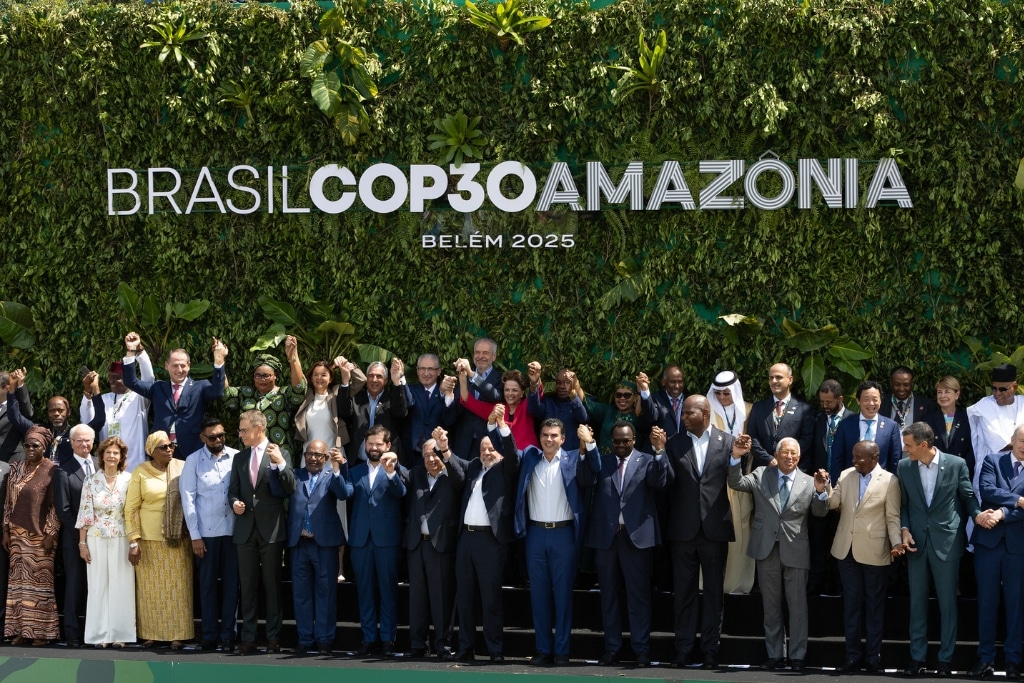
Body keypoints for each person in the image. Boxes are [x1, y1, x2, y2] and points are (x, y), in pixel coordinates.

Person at [897, 421, 992, 677]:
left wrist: (979, 516)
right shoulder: (904, 467)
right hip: (916, 542)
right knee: (917, 603)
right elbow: (903, 506)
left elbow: (967, 496)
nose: (905, 449)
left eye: (908, 445)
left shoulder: (956, 464)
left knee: (947, 604)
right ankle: (917, 658)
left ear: (924, 445)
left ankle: (945, 660)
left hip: (947, 542)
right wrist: (904, 530)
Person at [664, 395, 749, 669]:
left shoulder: (726, 441)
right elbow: (667, 482)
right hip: (683, 531)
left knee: (714, 594)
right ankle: (684, 650)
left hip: (714, 530)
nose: (684, 417)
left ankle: (711, 649)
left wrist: (737, 458)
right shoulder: (674, 443)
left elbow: (738, 478)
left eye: (689, 413)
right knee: (684, 593)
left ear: (705, 414)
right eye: (684, 413)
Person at [811, 440, 903, 673]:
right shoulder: (846, 474)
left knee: (874, 607)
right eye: (853, 456)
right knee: (851, 606)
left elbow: (892, 517)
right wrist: (822, 489)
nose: (854, 461)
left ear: (874, 458)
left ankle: (873, 658)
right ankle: (852, 657)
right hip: (846, 550)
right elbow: (833, 503)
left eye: (858, 457)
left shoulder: (890, 481)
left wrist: (896, 543)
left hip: (875, 551)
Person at [514, 417, 600, 665]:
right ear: (539, 437)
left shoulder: (574, 458)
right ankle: (543, 649)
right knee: (538, 596)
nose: (549, 439)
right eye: (545, 435)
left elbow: (593, 473)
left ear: (563, 439)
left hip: (564, 535)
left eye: (554, 436)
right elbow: (509, 449)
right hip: (536, 534)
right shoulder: (530, 457)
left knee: (563, 596)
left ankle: (562, 651)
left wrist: (590, 443)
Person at [582, 421, 666, 668]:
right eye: (616, 441)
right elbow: (586, 478)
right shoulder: (603, 462)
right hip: (607, 539)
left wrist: (660, 452)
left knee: (638, 596)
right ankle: (612, 648)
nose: (620, 445)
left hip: (636, 538)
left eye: (625, 441)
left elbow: (659, 482)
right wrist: (586, 444)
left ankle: (641, 650)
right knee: (608, 596)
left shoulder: (647, 459)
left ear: (634, 440)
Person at [729, 437, 815, 671]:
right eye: (785, 453)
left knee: (798, 607)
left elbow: (820, 511)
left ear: (799, 457)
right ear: (776, 454)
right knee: (771, 606)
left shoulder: (809, 481)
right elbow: (736, 482)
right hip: (766, 548)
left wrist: (822, 491)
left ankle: (797, 656)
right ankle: (775, 655)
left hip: (796, 549)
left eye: (794, 454)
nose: (789, 457)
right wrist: (736, 457)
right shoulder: (760, 474)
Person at [454, 409, 519, 664]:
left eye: (491, 448)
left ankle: (494, 649)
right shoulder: (473, 469)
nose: (487, 452)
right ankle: (465, 647)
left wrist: (501, 426)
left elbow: (511, 453)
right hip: (465, 541)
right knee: (465, 598)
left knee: (491, 598)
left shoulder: (505, 469)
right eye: (483, 448)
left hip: (490, 542)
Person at [228, 410, 296, 655]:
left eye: (244, 430)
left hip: (271, 530)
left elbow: (290, 487)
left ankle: (273, 638)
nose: (240, 434)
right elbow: (233, 491)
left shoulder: (280, 453)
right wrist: (234, 502)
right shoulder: (239, 458)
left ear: (259, 429)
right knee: (247, 586)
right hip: (245, 529)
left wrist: (280, 462)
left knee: (272, 586)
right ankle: (247, 637)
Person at [293, 356, 365, 582]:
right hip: (308, 457)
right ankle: (310, 560)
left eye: (324, 374)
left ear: (330, 376)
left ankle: (340, 567)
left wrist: (345, 366)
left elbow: (360, 380)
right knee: (309, 507)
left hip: (333, 456)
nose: (320, 378)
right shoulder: (305, 396)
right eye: (315, 374)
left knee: (337, 511)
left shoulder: (337, 394)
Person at [125, 431, 193, 648]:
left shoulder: (182, 467)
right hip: (149, 540)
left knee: (178, 589)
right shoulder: (140, 472)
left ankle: (177, 634)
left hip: (177, 539)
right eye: (163, 447)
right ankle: (151, 633)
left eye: (171, 446)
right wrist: (134, 540)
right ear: (151, 451)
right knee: (150, 590)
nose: (169, 450)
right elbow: (131, 508)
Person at [405, 427, 467, 660]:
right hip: (416, 545)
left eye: (435, 454)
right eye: (426, 455)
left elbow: (462, 480)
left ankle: (442, 645)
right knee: (417, 598)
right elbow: (400, 475)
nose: (431, 459)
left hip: (441, 545)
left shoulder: (453, 475)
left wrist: (446, 449)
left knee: (442, 598)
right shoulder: (417, 475)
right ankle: (418, 644)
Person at [286, 440, 352, 656]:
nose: (313, 458)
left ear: (325, 458)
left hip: (324, 544)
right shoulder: (295, 475)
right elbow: (277, 488)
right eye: (309, 454)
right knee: (301, 594)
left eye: (318, 455)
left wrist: (336, 468)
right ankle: (305, 639)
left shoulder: (331, 476)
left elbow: (344, 493)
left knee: (326, 593)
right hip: (299, 543)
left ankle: (324, 640)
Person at [179, 416, 239, 651]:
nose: (218, 440)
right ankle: (210, 634)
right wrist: (195, 535)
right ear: (202, 438)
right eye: (213, 437)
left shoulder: (236, 456)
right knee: (207, 586)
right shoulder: (193, 461)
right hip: (206, 534)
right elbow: (188, 500)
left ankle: (228, 635)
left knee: (232, 586)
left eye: (221, 435)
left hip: (234, 533)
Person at [347, 425, 407, 657]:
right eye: (370, 444)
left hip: (387, 541)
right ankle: (368, 638)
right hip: (360, 541)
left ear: (388, 446)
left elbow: (401, 493)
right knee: (364, 591)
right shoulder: (355, 471)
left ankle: (388, 640)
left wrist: (391, 471)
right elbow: (344, 493)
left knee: (388, 591)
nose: (373, 448)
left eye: (378, 444)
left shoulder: (396, 469)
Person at [969, 424, 1024, 679]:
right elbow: (987, 490)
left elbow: (995, 500)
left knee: (1016, 604)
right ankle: (985, 659)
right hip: (988, 542)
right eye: (1021, 439)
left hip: (1018, 545)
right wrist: (1017, 501)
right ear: (1012, 440)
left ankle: (1013, 661)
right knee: (987, 602)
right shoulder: (993, 460)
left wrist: (1002, 512)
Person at [121, 333, 228, 460]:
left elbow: (217, 391)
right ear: (167, 366)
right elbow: (131, 382)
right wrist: (131, 350)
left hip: (192, 450)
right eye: (175, 365)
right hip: (161, 451)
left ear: (189, 365)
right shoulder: (157, 388)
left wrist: (219, 360)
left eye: (183, 365)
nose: (179, 369)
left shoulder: (200, 386)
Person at [2, 427, 60, 645]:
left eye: (35, 445)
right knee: (18, 585)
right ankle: (22, 630)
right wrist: (6, 531)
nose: (30, 449)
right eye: (27, 445)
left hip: (40, 537)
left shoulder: (52, 470)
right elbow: (9, 502)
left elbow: (55, 507)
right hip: (17, 537)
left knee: (39, 586)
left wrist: (50, 534)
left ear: (44, 447)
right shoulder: (16, 468)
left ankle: (41, 634)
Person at [75, 436, 134, 648]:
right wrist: (82, 544)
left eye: (116, 453)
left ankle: (120, 634)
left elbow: (132, 513)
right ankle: (99, 634)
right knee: (98, 585)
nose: (111, 456)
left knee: (122, 585)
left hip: (122, 538)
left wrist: (135, 542)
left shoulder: (129, 480)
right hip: (96, 538)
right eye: (108, 452)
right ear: (101, 456)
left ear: (121, 457)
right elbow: (84, 514)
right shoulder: (90, 481)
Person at [706, 370, 755, 595]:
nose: (723, 397)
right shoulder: (707, 410)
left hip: (741, 480)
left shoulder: (748, 411)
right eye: (719, 393)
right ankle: (708, 584)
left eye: (727, 393)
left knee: (741, 529)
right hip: (713, 481)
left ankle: (738, 583)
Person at [223, 336, 306, 466]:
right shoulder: (245, 393)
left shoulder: (283, 394)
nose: (262, 379)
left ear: (275, 376)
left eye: (267, 375)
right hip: (248, 456)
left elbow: (299, 389)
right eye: (258, 375)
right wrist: (219, 361)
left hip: (278, 455)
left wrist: (292, 358)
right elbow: (225, 393)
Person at [807, 378, 854, 596]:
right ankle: (816, 584)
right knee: (818, 537)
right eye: (822, 401)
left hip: (844, 490)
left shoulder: (853, 420)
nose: (825, 405)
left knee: (840, 538)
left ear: (840, 399)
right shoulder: (816, 419)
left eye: (829, 402)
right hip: (818, 489)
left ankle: (839, 585)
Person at [54, 423, 99, 647]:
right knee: (75, 584)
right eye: (79, 440)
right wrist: (84, 532)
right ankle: (72, 633)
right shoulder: (63, 471)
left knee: (98, 585)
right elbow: (63, 510)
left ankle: (97, 631)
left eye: (87, 440)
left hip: (103, 539)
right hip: (74, 540)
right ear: (71, 443)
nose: (84, 444)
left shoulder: (101, 465)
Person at [79, 346, 154, 472]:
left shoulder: (139, 397)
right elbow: (86, 422)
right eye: (110, 377)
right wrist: (88, 392)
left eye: (116, 377)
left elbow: (149, 380)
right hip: (109, 466)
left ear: (128, 378)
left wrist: (140, 352)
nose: (111, 381)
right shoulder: (103, 399)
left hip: (136, 466)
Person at [340, 360, 409, 466]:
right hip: (358, 462)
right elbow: (344, 413)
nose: (374, 380)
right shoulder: (357, 398)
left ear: (385, 381)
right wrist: (345, 382)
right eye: (371, 376)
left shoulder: (392, 398)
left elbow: (400, 413)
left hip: (386, 463)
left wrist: (396, 381)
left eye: (379, 376)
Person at [829, 380, 903, 479]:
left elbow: (895, 461)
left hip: (880, 485)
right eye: (866, 399)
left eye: (875, 399)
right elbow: (837, 460)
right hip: (851, 483)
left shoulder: (891, 426)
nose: (871, 403)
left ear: (880, 400)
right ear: (858, 400)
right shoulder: (845, 425)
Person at [747, 363, 814, 468]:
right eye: (771, 378)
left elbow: (807, 439)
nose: (774, 381)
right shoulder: (758, 407)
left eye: (778, 377)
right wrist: (769, 459)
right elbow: (753, 438)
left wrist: (786, 459)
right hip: (764, 470)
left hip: (794, 470)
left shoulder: (804, 409)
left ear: (790, 380)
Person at [967, 363, 1024, 488]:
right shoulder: (984, 406)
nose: (997, 393)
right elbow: (998, 444)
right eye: (994, 388)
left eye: (1003, 389)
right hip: (995, 473)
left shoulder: (1023, 403)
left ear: (1014, 387)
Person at [459, 368, 538, 452]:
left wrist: (534, 382)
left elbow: (535, 395)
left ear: (522, 392)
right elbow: (468, 402)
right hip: (506, 460)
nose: (510, 393)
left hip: (529, 458)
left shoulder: (527, 405)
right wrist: (462, 378)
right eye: (507, 390)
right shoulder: (497, 409)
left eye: (514, 390)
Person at [451, 338, 503, 459]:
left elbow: (495, 396)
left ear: (494, 356)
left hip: (488, 442)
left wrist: (472, 375)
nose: (480, 356)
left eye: (485, 353)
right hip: (463, 442)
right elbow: (458, 406)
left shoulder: (500, 378)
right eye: (477, 352)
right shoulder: (462, 376)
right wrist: (447, 393)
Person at [526, 363, 589, 451]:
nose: (562, 387)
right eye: (558, 383)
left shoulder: (577, 402)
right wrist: (534, 383)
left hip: (571, 457)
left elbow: (583, 418)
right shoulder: (549, 401)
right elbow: (533, 409)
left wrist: (572, 394)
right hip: (550, 455)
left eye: (567, 383)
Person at [404, 354, 458, 454]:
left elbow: (449, 420)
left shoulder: (444, 392)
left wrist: (448, 394)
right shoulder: (409, 390)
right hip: (411, 452)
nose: (426, 373)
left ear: (438, 371)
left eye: (430, 369)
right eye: (422, 369)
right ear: (417, 371)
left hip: (437, 453)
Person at [924, 376, 974, 478]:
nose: (943, 396)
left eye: (947, 391)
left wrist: (963, 471)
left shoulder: (967, 419)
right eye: (939, 392)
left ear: (957, 394)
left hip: (961, 474)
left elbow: (972, 450)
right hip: (935, 475)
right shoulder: (928, 420)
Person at [585, 381, 646, 452]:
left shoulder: (638, 417)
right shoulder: (609, 410)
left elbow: (639, 413)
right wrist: (575, 385)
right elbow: (586, 402)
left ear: (635, 397)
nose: (622, 398)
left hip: (627, 462)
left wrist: (640, 392)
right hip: (604, 460)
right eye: (618, 395)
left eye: (627, 395)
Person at [638, 365, 687, 441]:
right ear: (664, 382)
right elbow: (651, 417)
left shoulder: (689, 401)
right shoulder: (656, 398)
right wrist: (645, 390)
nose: (677, 386)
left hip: (683, 449)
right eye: (672, 382)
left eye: (680, 382)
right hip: (661, 447)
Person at [880, 366, 937, 430]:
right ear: (891, 383)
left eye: (906, 385)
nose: (901, 389)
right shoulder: (881, 403)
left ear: (912, 384)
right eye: (897, 384)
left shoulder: (927, 405)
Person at [0, 369, 34, 463]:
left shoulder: (17, 405)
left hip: (12, 460)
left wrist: (20, 385)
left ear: (6, 388)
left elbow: (28, 413)